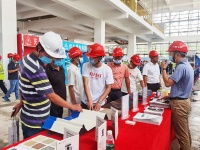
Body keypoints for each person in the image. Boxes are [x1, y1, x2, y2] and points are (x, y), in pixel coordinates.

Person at [12, 31, 82, 139]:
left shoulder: (26, 59)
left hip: (32, 116)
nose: (51, 59)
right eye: (49, 55)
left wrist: (21, 102)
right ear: (39, 48)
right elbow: (51, 96)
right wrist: (72, 106)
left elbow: (23, 83)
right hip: (35, 122)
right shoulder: (36, 69)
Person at [161, 41, 193, 150]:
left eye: (171, 53)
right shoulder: (188, 66)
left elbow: (167, 83)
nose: (170, 56)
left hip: (179, 105)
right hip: (184, 101)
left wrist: (163, 69)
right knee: (185, 131)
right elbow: (183, 86)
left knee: (182, 136)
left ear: (177, 54)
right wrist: (171, 96)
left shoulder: (181, 67)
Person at [82, 43, 114, 111]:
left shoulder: (107, 69)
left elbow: (109, 87)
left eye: (92, 57)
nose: (90, 58)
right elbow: (86, 83)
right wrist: (89, 100)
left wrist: (99, 101)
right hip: (86, 101)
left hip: (99, 103)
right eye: (89, 57)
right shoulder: (86, 66)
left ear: (100, 57)